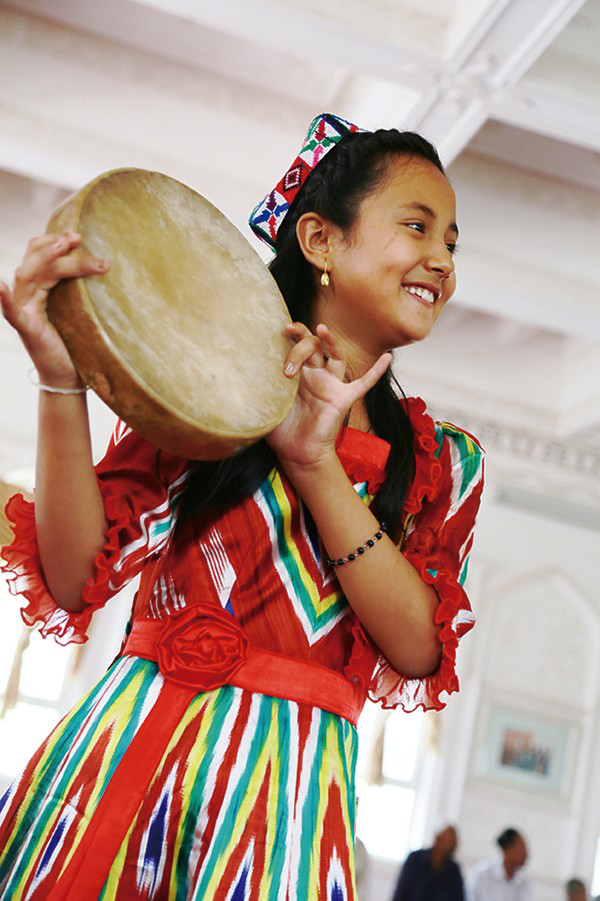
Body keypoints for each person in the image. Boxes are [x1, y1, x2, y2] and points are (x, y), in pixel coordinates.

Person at [0, 112, 485, 899]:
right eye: (417, 226)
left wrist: (314, 463)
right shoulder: (205, 388)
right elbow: (72, 575)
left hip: (282, 807)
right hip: (124, 766)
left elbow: (418, 647)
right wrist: (62, 378)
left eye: (452, 244)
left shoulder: (443, 462)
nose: (442, 259)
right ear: (320, 240)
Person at [391, 824, 465, 901]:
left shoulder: (453, 870)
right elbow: (402, 890)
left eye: (450, 841)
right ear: (438, 838)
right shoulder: (416, 858)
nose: (446, 844)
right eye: (445, 839)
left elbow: (458, 897)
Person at [469, 827, 532, 901]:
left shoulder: (524, 882)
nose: (526, 854)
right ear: (509, 848)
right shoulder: (482, 874)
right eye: (523, 848)